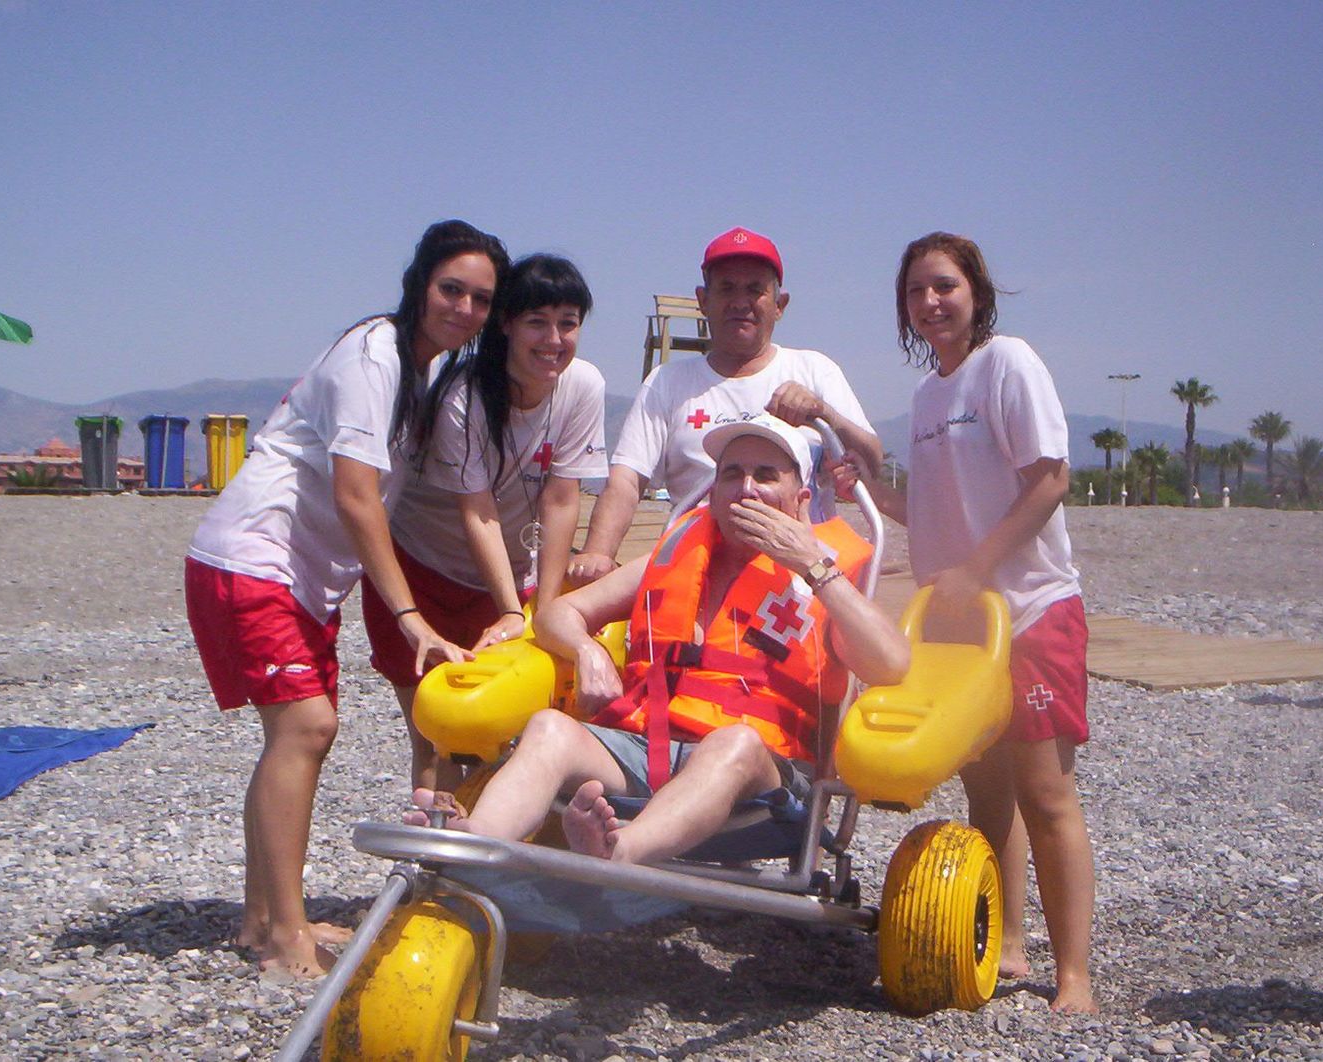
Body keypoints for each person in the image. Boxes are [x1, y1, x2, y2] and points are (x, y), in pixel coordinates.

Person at [183, 220, 510, 978]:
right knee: (307, 727)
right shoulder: (375, 357)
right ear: (419, 284)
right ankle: (285, 937)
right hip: (256, 559)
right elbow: (357, 496)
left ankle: (263, 917)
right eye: (451, 289)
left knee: (298, 736)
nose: (464, 308)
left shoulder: (421, 370)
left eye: (481, 299)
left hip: (302, 578)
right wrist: (410, 617)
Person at [406, 415, 909, 868]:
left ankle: (621, 850)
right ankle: (474, 840)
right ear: (714, 492)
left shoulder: (825, 574)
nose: (747, 490)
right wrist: (587, 651)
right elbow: (558, 614)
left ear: (801, 497)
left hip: (761, 781)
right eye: (732, 474)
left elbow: (890, 664)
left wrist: (812, 565)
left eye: (766, 475)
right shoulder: (673, 558)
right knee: (549, 728)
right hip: (650, 750)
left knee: (733, 743)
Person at [837, 232, 1097, 1013]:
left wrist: (979, 570)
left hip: (1031, 612)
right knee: (987, 790)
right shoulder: (927, 398)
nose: (931, 302)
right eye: (916, 291)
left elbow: (1050, 479)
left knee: (1045, 793)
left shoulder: (1007, 364)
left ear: (977, 292)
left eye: (944, 285)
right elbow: (930, 512)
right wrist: (866, 491)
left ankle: (1075, 976)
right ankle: (1009, 943)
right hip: (957, 631)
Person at [364, 254, 608, 792]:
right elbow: (477, 510)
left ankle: (491, 836)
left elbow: (561, 498)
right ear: (505, 325)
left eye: (568, 323)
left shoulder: (582, 385)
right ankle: (435, 843)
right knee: (439, 732)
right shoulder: (464, 396)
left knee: (506, 730)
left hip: (504, 573)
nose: (554, 340)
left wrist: (545, 610)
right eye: (537, 322)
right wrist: (511, 610)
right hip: (423, 567)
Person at [567, 226, 884, 587]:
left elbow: (872, 461)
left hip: (798, 579)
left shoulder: (814, 370)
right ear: (703, 300)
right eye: (726, 288)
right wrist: (598, 553)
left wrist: (824, 413)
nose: (739, 302)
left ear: (779, 305)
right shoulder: (667, 381)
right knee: (572, 612)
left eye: (755, 290)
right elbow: (627, 480)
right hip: (698, 573)